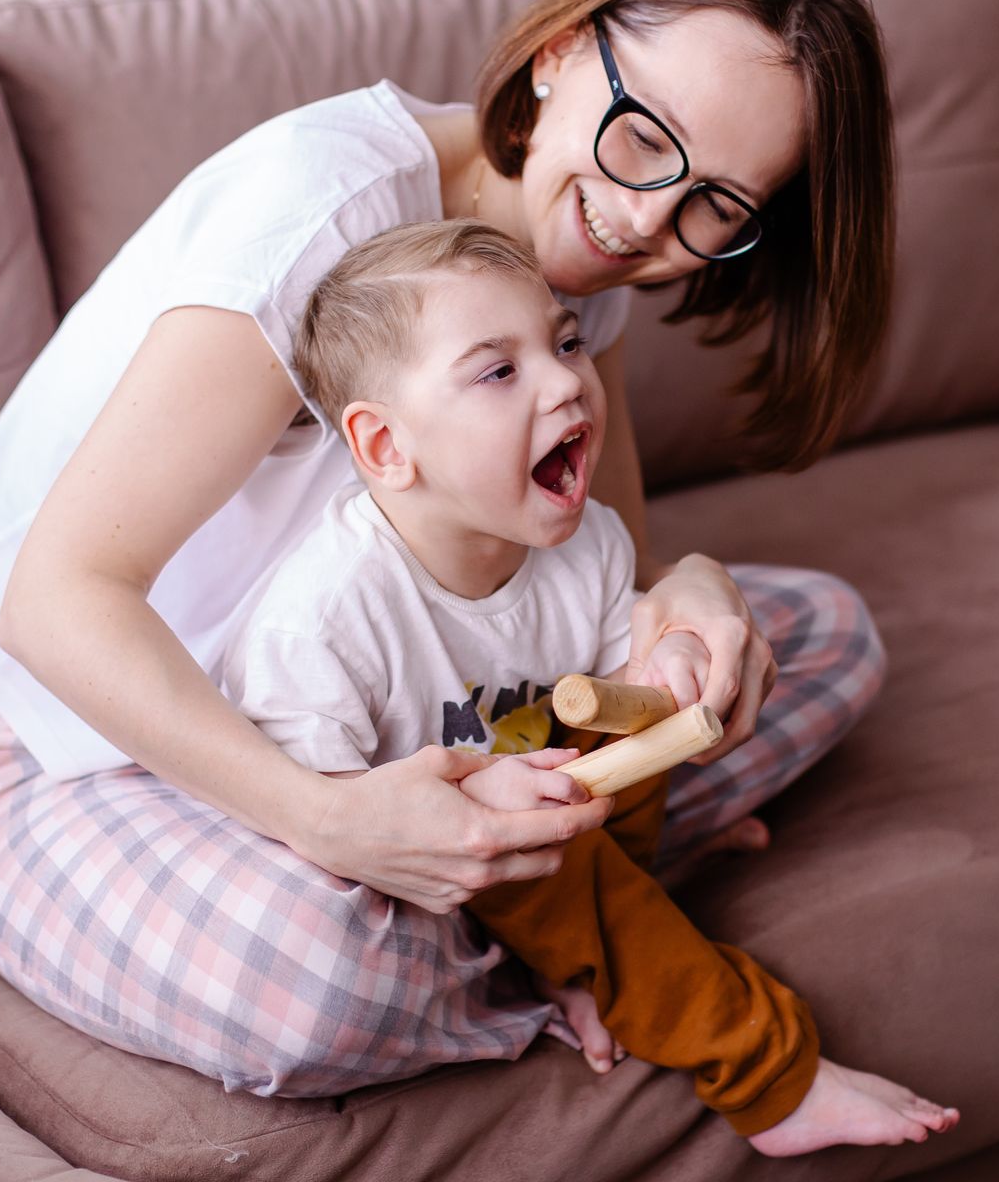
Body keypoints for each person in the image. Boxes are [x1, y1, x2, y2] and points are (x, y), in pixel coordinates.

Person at [0, 0, 900, 1102]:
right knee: (311, 981)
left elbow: (605, 581)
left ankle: (556, 910)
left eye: (716, 203)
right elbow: (55, 605)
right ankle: (584, 927)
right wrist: (328, 821)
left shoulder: (574, 273)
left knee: (814, 637)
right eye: (642, 139)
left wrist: (695, 593)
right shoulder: (323, 215)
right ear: (563, 50)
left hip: (390, 711)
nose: (645, 223)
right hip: (62, 730)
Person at [218, 219, 955, 1153]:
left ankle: (597, 938)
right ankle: (768, 1072)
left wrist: (669, 672)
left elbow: (623, 711)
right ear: (387, 447)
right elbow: (320, 830)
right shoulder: (323, 618)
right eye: (498, 371)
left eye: (565, 342)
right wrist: (466, 801)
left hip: (550, 829)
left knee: (628, 734)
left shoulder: (591, 542)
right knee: (544, 858)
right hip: (424, 875)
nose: (567, 379)